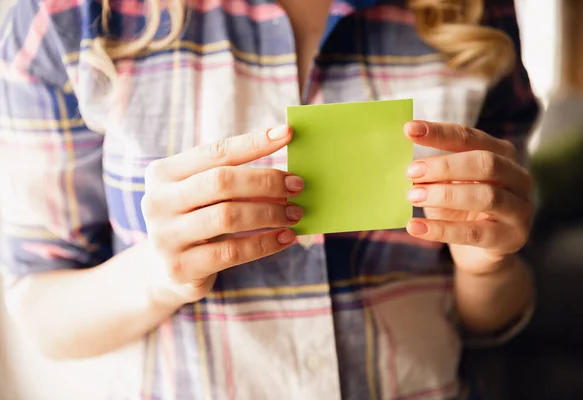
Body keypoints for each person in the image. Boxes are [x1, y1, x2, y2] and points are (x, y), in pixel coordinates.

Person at [0, 0, 538, 399]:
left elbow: (490, 314)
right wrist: (156, 275)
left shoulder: (473, 15)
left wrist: (486, 266)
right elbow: (42, 313)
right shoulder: (66, 16)